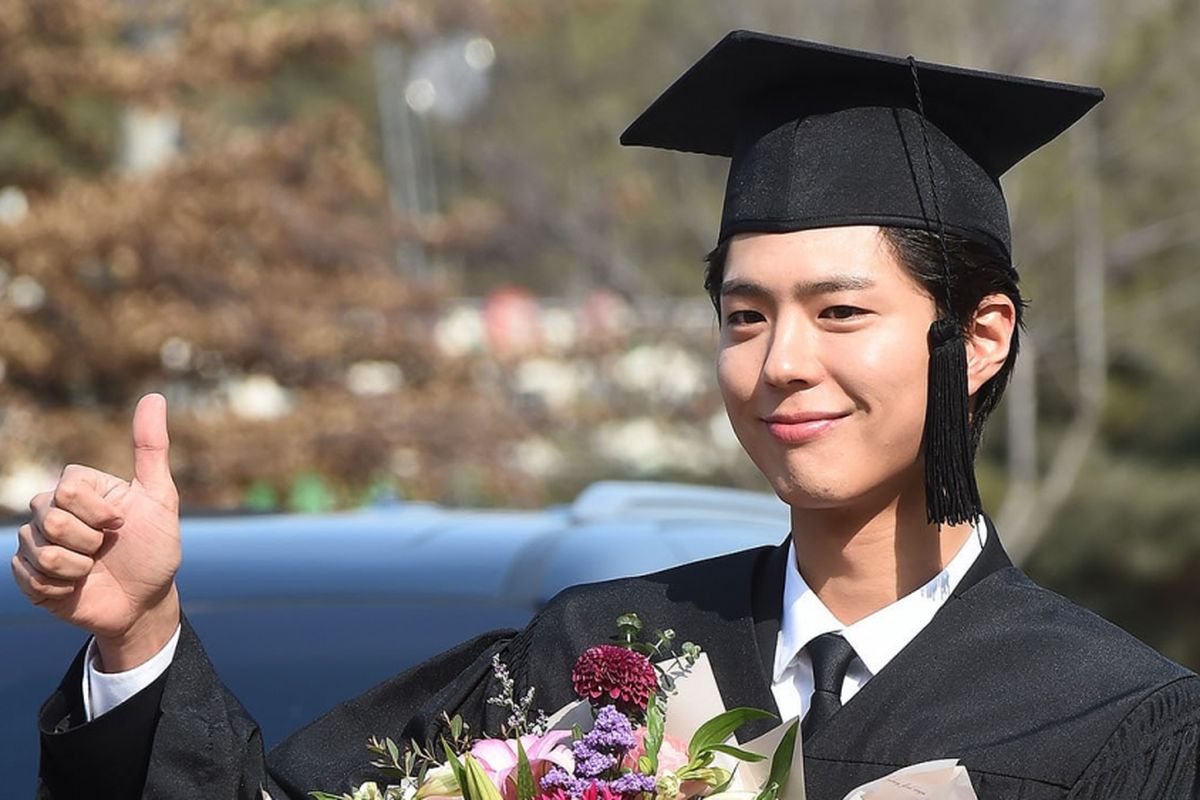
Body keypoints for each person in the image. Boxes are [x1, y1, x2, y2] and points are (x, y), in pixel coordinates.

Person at [13, 30, 1200, 800]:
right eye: (744, 316)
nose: (781, 362)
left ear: (979, 336)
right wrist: (142, 636)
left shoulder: (1120, 726)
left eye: (840, 312)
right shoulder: (587, 658)